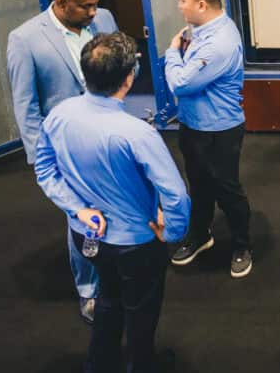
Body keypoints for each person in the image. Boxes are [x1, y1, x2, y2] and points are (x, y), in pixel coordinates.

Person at [35, 32, 190, 373]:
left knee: (108, 298)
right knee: (141, 312)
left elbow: (45, 169)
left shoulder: (59, 115)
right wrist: (174, 232)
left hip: (87, 236)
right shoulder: (137, 133)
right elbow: (175, 195)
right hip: (136, 244)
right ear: (129, 78)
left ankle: (99, 364)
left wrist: (77, 209)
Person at [6, 0, 118, 324]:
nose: (93, 12)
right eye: (85, 6)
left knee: (114, 208)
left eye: (95, 3)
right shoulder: (24, 40)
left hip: (109, 136)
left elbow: (120, 63)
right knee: (82, 218)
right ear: (60, 3)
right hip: (67, 149)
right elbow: (26, 107)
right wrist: (43, 159)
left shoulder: (104, 18)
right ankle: (89, 290)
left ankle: (117, 274)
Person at [164, 0, 254, 278]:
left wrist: (172, 53)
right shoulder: (200, 32)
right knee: (199, 186)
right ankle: (200, 236)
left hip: (220, 132)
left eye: (182, 0)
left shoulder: (220, 42)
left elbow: (180, 83)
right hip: (193, 127)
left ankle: (242, 245)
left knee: (227, 191)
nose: (179, 5)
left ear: (201, 4)